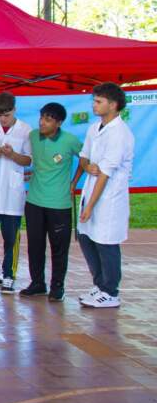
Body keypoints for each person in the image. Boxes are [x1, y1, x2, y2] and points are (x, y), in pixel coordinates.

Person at [77, 83, 134, 308]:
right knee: (86, 237)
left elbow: (105, 174)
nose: (94, 105)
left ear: (113, 104)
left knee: (106, 242)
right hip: (91, 191)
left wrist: (90, 206)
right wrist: (87, 164)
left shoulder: (120, 134)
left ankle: (111, 291)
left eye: (99, 101)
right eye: (94, 100)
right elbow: (84, 157)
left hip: (109, 197)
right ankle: (99, 285)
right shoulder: (94, 128)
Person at [21, 102, 82, 301]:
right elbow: (35, 161)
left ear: (59, 123)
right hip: (34, 201)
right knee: (35, 245)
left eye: (48, 119)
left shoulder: (70, 140)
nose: (42, 123)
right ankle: (37, 283)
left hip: (59, 203)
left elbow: (85, 159)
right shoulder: (33, 136)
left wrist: (74, 182)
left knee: (59, 247)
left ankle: (57, 287)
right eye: (41, 118)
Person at [0, 92, 31, 293]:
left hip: (13, 195)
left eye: (6, 115)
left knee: (11, 239)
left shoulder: (25, 130)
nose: (2, 119)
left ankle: (9, 276)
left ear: (15, 110)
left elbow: (28, 160)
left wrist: (12, 155)